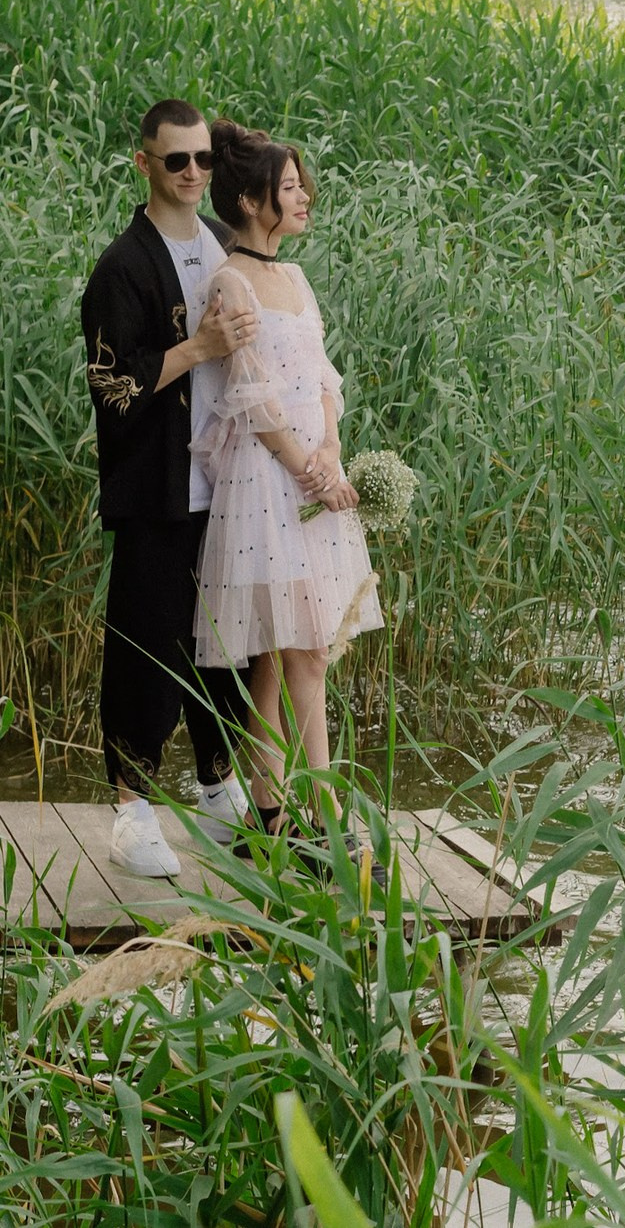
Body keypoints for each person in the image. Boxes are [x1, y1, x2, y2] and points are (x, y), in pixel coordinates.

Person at [81, 99, 259, 878]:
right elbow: (112, 390)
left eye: (203, 160)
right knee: (146, 647)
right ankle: (131, 807)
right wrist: (196, 347)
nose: (192, 173)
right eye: (176, 159)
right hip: (157, 491)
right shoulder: (122, 266)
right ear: (144, 163)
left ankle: (218, 787)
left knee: (226, 647)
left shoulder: (225, 244)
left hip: (228, 488)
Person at [192, 121, 382, 834]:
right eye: (291, 188)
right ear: (250, 201)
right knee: (306, 649)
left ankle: (272, 813)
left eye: (303, 186)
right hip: (267, 479)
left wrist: (330, 448)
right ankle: (326, 820)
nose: (304, 198)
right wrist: (307, 468)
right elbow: (250, 394)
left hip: (313, 472)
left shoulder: (296, 277)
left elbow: (323, 377)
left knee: (284, 656)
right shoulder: (230, 280)